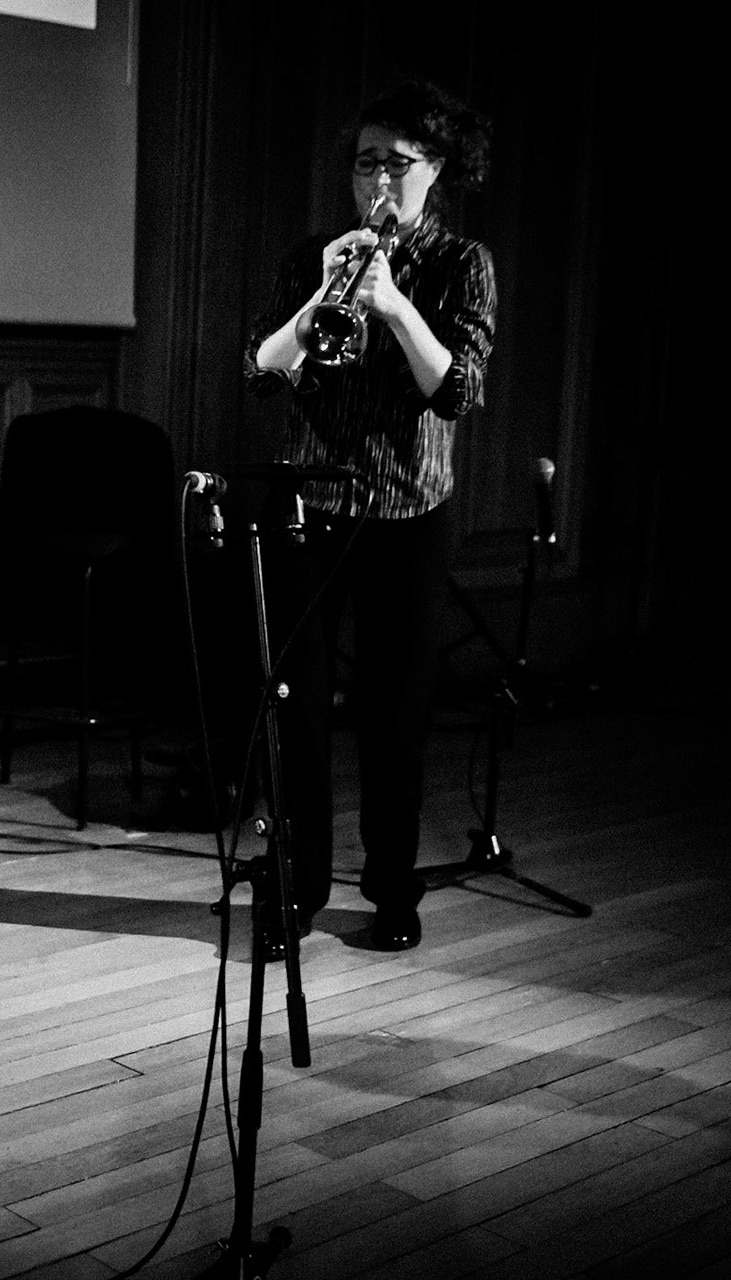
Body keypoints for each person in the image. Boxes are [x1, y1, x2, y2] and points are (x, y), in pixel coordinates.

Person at [244, 82, 497, 954]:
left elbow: (456, 390)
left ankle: (393, 889)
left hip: (408, 511)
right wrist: (324, 296)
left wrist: (392, 303)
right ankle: (296, 891)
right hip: (311, 505)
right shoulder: (318, 254)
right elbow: (262, 370)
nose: (379, 182)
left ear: (438, 172)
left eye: (398, 164)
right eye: (365, 164)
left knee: (396, 717)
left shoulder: (463, 264)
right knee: (298, 710)